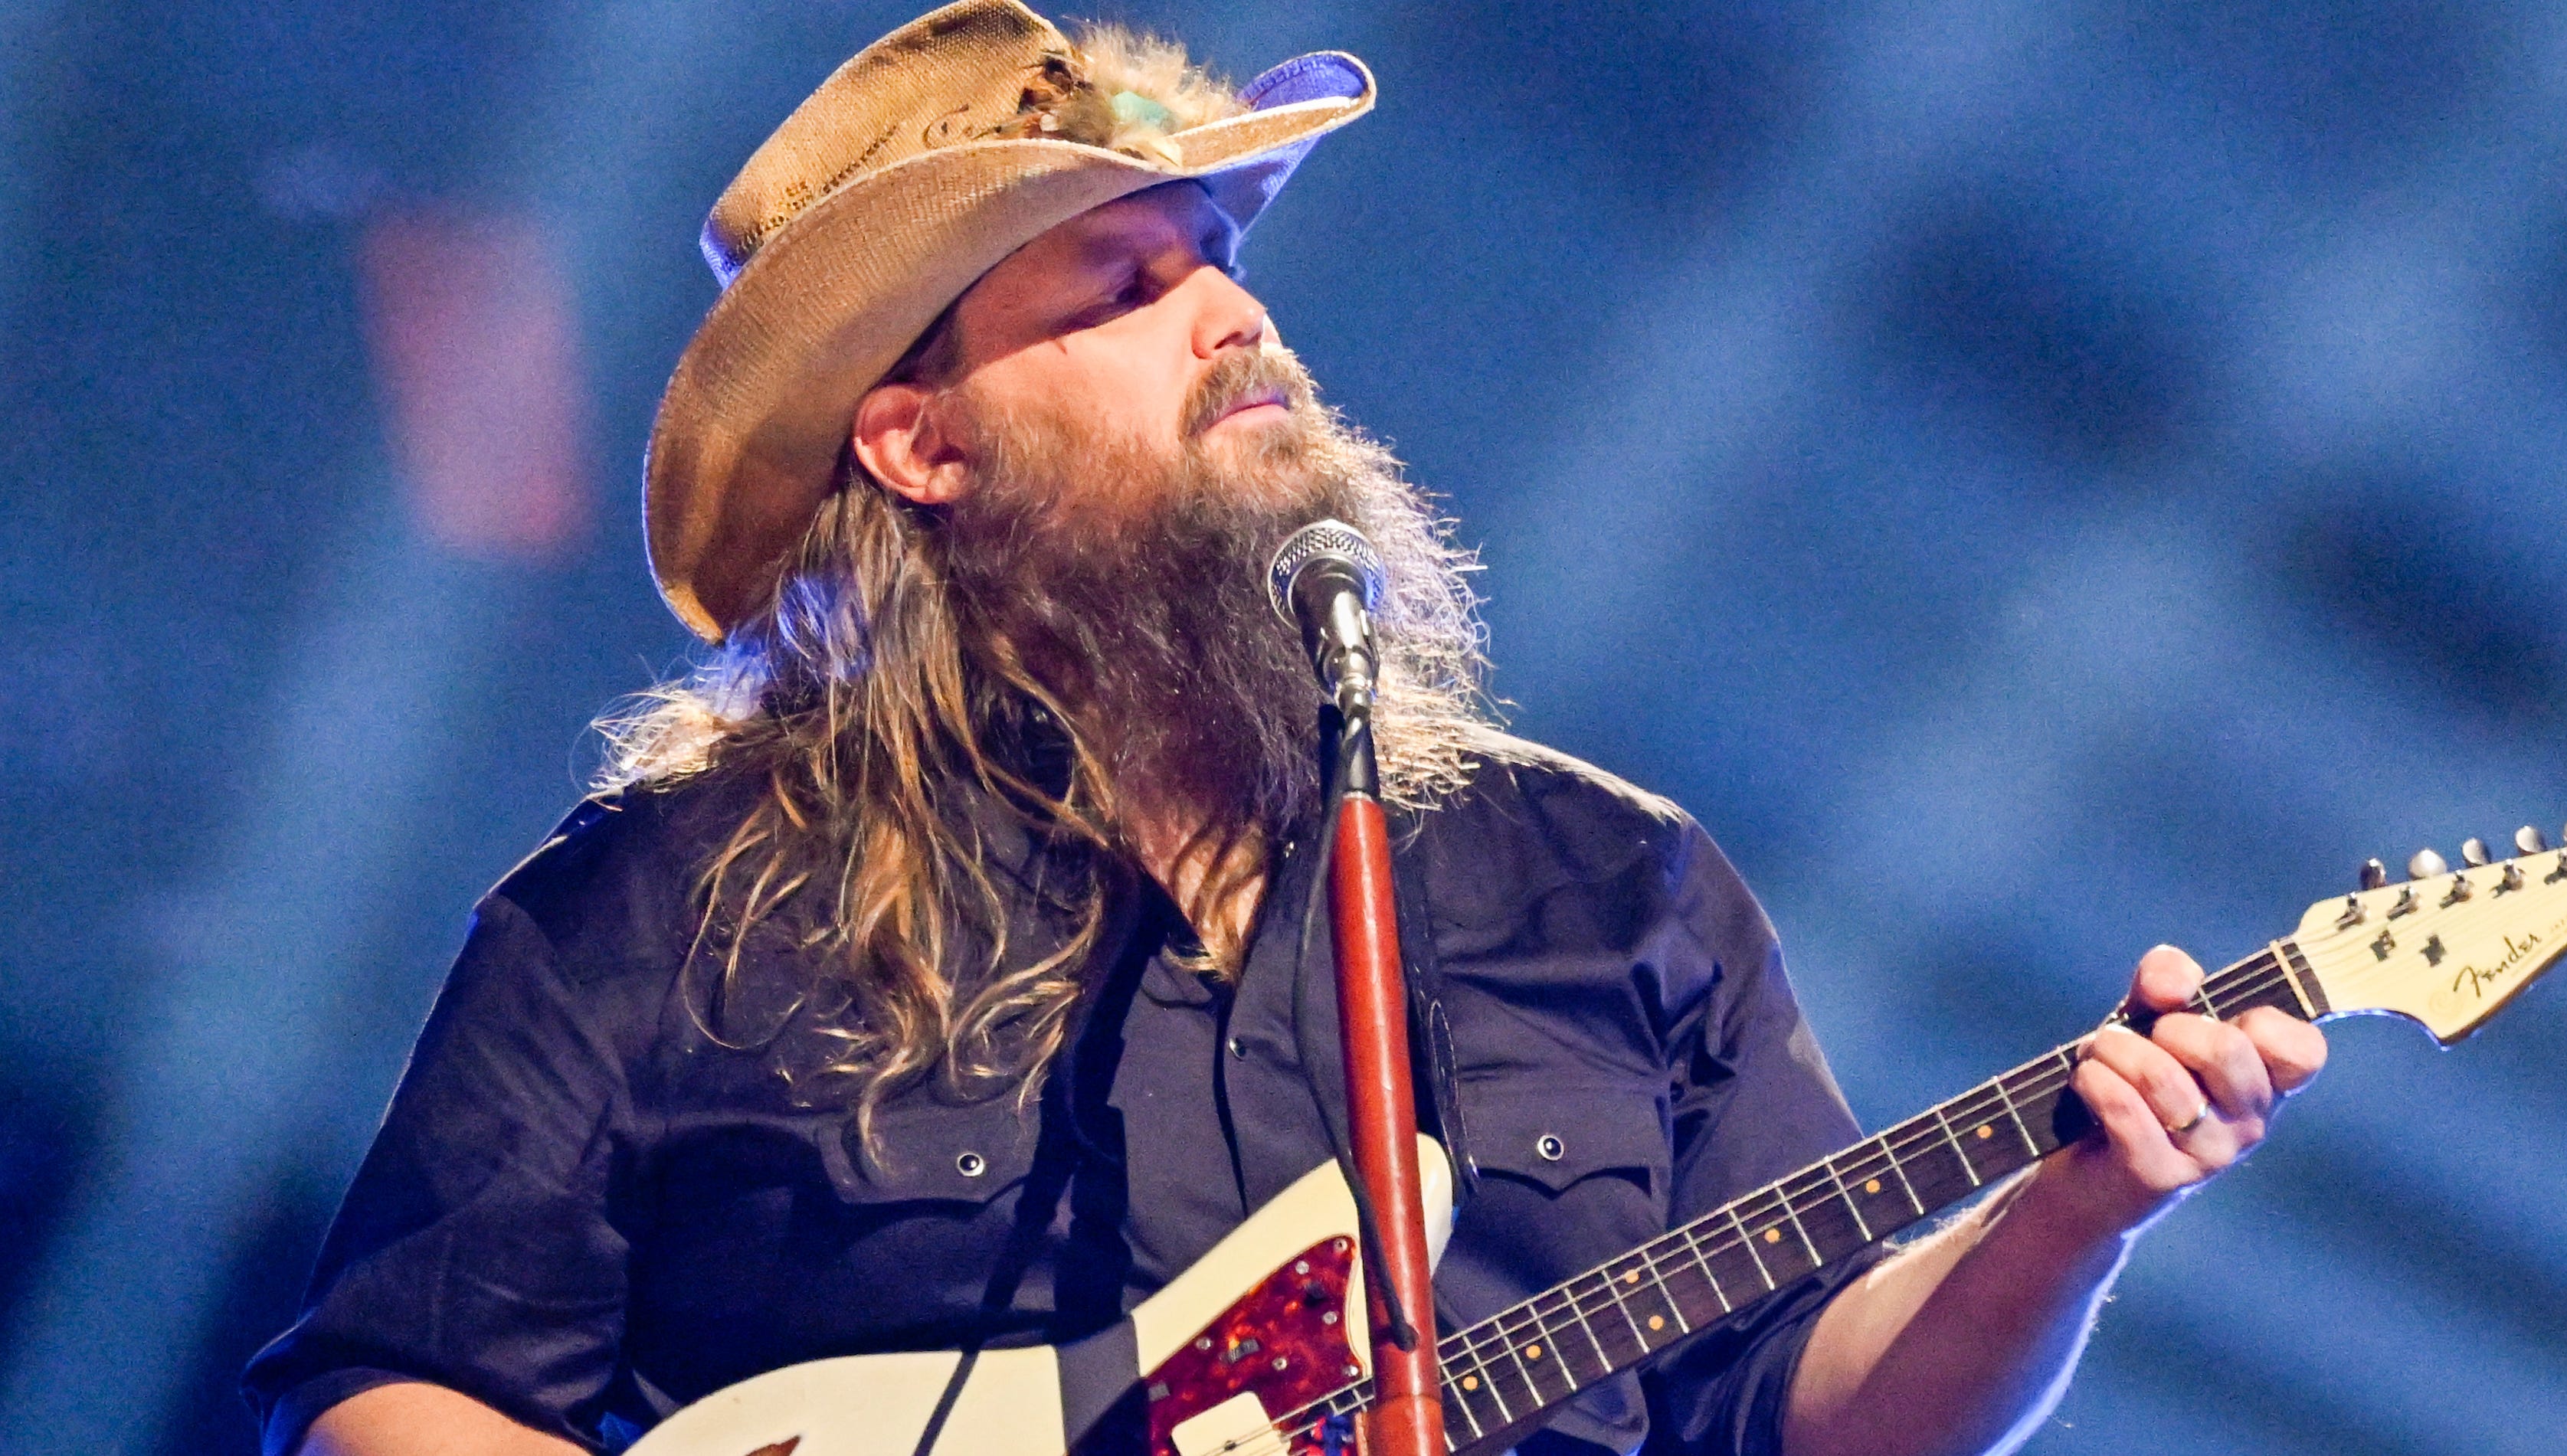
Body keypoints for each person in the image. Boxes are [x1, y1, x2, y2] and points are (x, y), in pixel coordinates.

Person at [244, 5, 2327, 1454]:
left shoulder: (1607, 887)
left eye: (1218, 259)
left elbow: (1808, 1413)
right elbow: (393, 1386)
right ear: (921, 442)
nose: (1231, 312)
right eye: (1121, 285)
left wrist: (2073, 1213)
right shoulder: (665, 911)